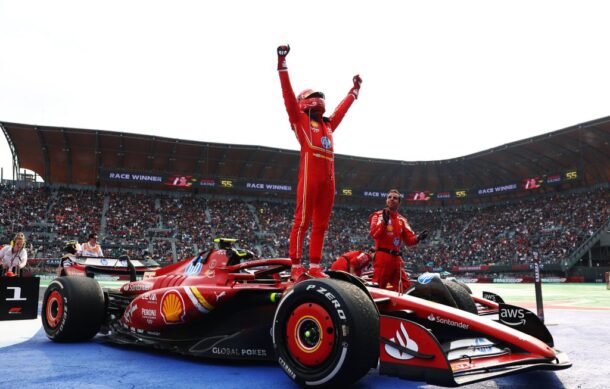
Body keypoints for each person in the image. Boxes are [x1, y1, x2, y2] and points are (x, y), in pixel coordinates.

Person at [277, 44, 362, 280]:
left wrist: (353, 92)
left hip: (329, 181)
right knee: (302, 221)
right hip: (310, 178)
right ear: (304, 102)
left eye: (320, 97)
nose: (319, 99)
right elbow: (286, 95)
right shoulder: (300, 120)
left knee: (321, 225)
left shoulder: (328, 125)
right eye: (314, 97)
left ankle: (314, 266)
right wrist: (282, 64)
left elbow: (341, 111)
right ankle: (296, 266)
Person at [369, 189, 428, 293]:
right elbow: (374, 234)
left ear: (399, 203)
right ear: (386, 200)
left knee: (405, 287)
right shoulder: (377, 215)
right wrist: (384, 223)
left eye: (395, 198)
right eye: (389, 197)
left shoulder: (402, 220)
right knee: (378, 288)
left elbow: (409, 241)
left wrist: (418, 238)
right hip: (383, 257)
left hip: (397, 259)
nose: (391, 199)